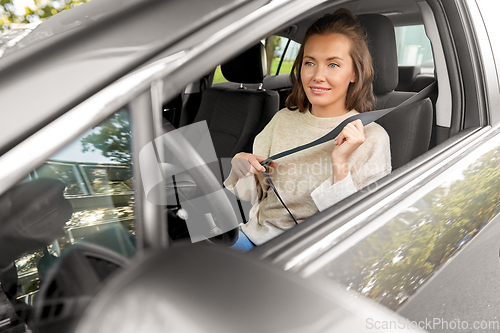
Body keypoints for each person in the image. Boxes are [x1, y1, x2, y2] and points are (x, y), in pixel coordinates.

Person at [224, 8, 391, 251]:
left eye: (333, 65)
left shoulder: (373, 138)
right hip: (254, 238)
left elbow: (359, 233)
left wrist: (340, 165)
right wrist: (239, 168)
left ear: (355, 72)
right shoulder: (281, 120)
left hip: (312, 254)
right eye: (310, 62)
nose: (317, 76)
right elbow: (253, 198)